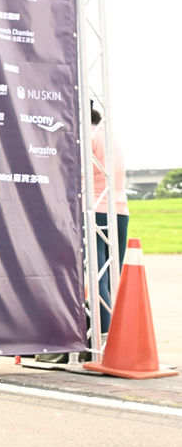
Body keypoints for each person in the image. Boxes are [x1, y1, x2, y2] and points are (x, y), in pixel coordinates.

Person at [91, 102, 129, 335]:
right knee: (114, 274)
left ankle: (105, 333)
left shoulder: (87, 137)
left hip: (97, 209)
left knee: (98, 276)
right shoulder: (109, 134)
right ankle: (120, 328)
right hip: (120, 210)